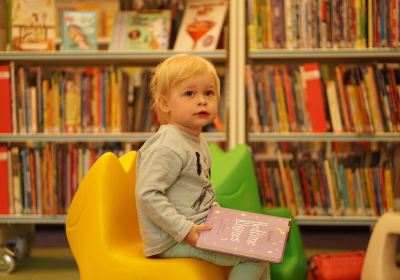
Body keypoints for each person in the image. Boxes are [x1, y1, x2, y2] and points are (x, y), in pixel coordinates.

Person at [135, 53, 270, 280]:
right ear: (165, 103)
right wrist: (185, 230)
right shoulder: (167, 146)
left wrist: (219, 217)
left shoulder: (196, 140)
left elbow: (199, 190)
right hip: (171, 239)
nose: (202, 100)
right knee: (255, 255)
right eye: (189, 93)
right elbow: (147, 195)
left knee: (266, 245)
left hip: (198, 226)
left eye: (208, 93)